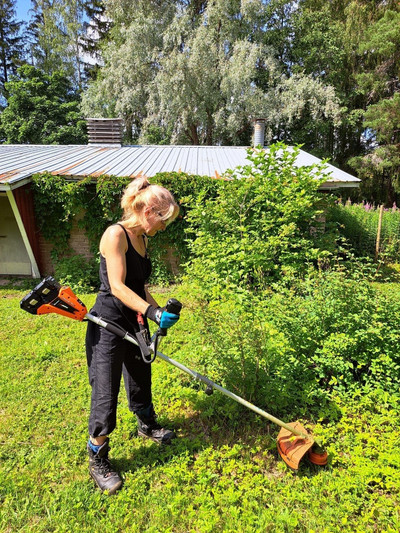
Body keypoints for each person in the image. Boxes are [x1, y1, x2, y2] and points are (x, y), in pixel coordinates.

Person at [85, 176, 180, 494]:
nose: (164, 228)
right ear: (150, 211)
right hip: (108, 325)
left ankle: (147, 424)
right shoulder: (116, 235)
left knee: (141, 377)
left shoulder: (143, 240)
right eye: (164, 221)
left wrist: (158, 313)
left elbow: (139, 288)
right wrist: (151, 312)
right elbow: (117, 286)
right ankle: (98, 457)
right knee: (105, 392)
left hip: (134, 322)